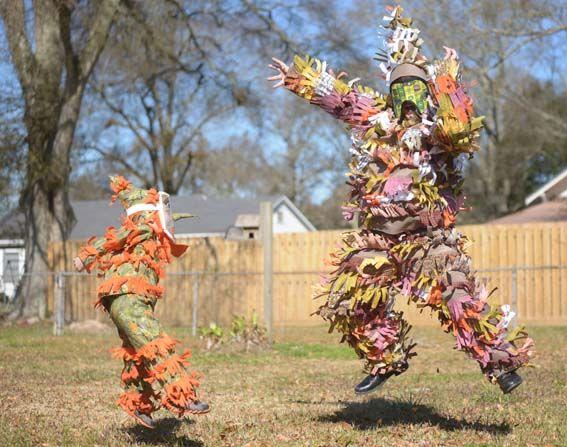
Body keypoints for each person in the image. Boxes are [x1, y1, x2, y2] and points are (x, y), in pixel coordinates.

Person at [268, 5, 533, 395]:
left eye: (415, 89)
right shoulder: (377, 119)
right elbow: (342, 99)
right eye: (400, 90)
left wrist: (446, 81)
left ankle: (501, 364)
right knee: (347, 298)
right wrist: (298, 78)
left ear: (425, 94)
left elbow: (461, 131)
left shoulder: (437, 133)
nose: (407, 99)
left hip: (428, 242)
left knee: (458, 295)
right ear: (390, 94)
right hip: (379, 241)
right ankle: (386, 358)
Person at [73, 176, 209, 428]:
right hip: (126, 297)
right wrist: (87, 255)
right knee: (153, 340)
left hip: (128, 299)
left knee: (136, 353)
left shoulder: (152, 238)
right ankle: (182, 395)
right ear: (149, 213)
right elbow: (121, 235)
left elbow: (166, 225)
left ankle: (139, 406)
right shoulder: (144, 225)